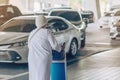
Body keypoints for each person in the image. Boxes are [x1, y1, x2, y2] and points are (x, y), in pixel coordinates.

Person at [28, 15, 61, 80]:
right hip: (43, 59)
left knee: (34, 76)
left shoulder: (32, 33)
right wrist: (60, 48)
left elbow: (29, 46)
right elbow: (55, 46)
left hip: (32, 58)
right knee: (43, 76)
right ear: (45, 23)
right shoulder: (47, 32)